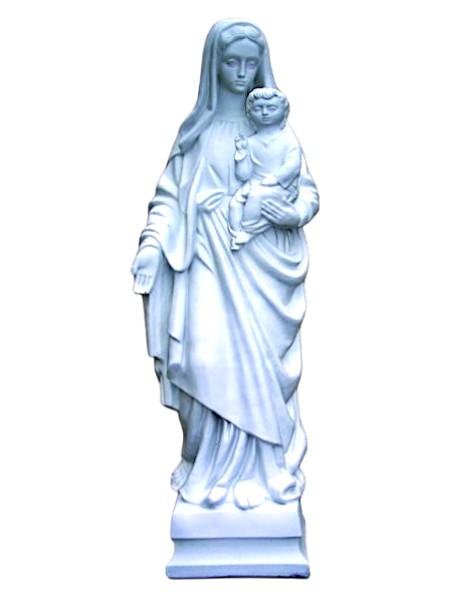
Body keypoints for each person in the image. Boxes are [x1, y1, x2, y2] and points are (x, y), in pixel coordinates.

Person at [131, 19, 319, 510]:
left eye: (250, 63)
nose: (240, 72)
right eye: (231, 62)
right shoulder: (196, 132)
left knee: (257, 367)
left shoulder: (276, 130)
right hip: (206, 261)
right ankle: (209, 466)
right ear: (213, 66)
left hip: (261, 267)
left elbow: (306, 192)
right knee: (207, 360)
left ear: (262, 66)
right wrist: (152, 246)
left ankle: (263, 470)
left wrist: (290, 212)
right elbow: (168, 199)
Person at [228, 87, 302, 249]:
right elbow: (243, 175)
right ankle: (235, 233)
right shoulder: (251, 142)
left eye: (271, 108)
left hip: (281, 187)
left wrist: (275, 179)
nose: (265, 113)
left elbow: (292, 166)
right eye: (258, 109)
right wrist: (241, 153)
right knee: (235, 203)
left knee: (256, 196)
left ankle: (248, 232)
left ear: (283, 112)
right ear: (250, 113)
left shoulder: (288, 141)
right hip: (254, 183)